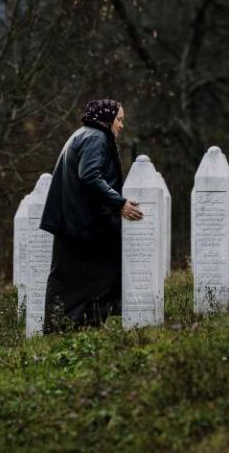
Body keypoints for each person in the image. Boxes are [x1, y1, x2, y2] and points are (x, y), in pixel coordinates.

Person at [40, 99, 144, 332]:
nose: (121, 125)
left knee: (66, 279)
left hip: (72, 223)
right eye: (119, 119)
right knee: (111, 269)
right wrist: (119, 204)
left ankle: (66, 326)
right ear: (106, 119)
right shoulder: (96, 138)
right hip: (83, 226)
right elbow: (89, 175)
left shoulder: (82, 134)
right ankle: (87, 322)